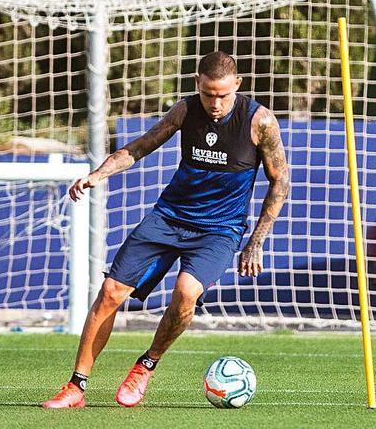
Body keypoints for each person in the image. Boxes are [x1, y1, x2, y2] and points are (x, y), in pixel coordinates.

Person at [43, 51, 290, 409]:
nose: (215, 103)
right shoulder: (185, 110)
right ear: (197, 85)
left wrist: (256, 242)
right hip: (169, 217)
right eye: (208, 94)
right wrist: (98, 174)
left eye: (222, 95)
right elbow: (140, 146)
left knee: (186, 292)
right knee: (111, 292)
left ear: (237, 85)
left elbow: (280, 181)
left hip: (219, 229)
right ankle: (76, 387)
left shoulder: (260, 121)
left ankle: (146, 364)